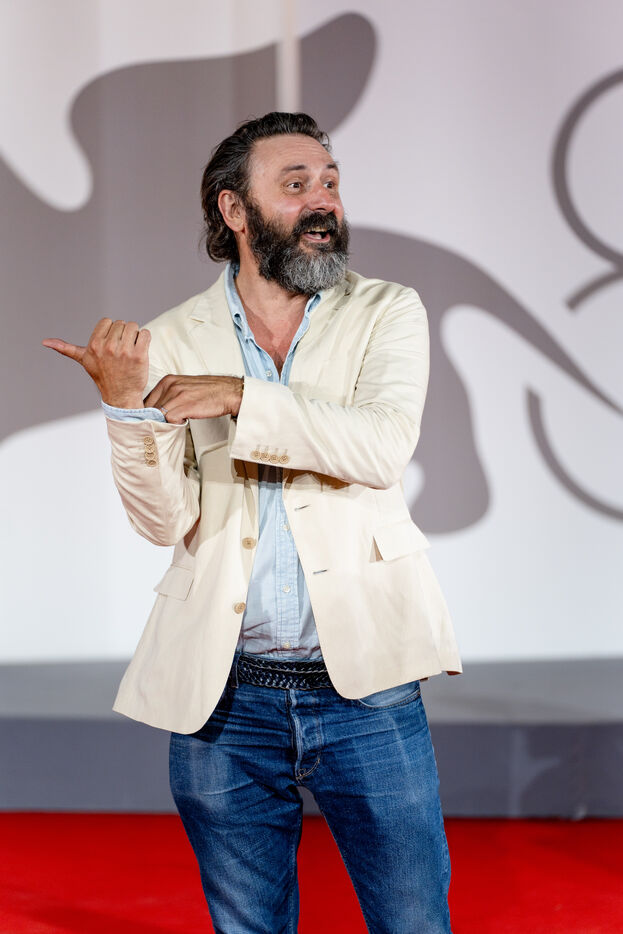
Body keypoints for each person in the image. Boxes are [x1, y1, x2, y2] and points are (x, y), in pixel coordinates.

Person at [43, 111, 461, 934]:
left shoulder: (386, 310)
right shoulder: (171, 338)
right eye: (295, 184)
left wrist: (240, 396)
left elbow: (379, 448)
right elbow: (163, 519)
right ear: (233, 210)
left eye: (330, 182)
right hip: (226, 696)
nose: (322, 200)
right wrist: (125, 407)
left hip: (366, 688)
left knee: (413, 920)